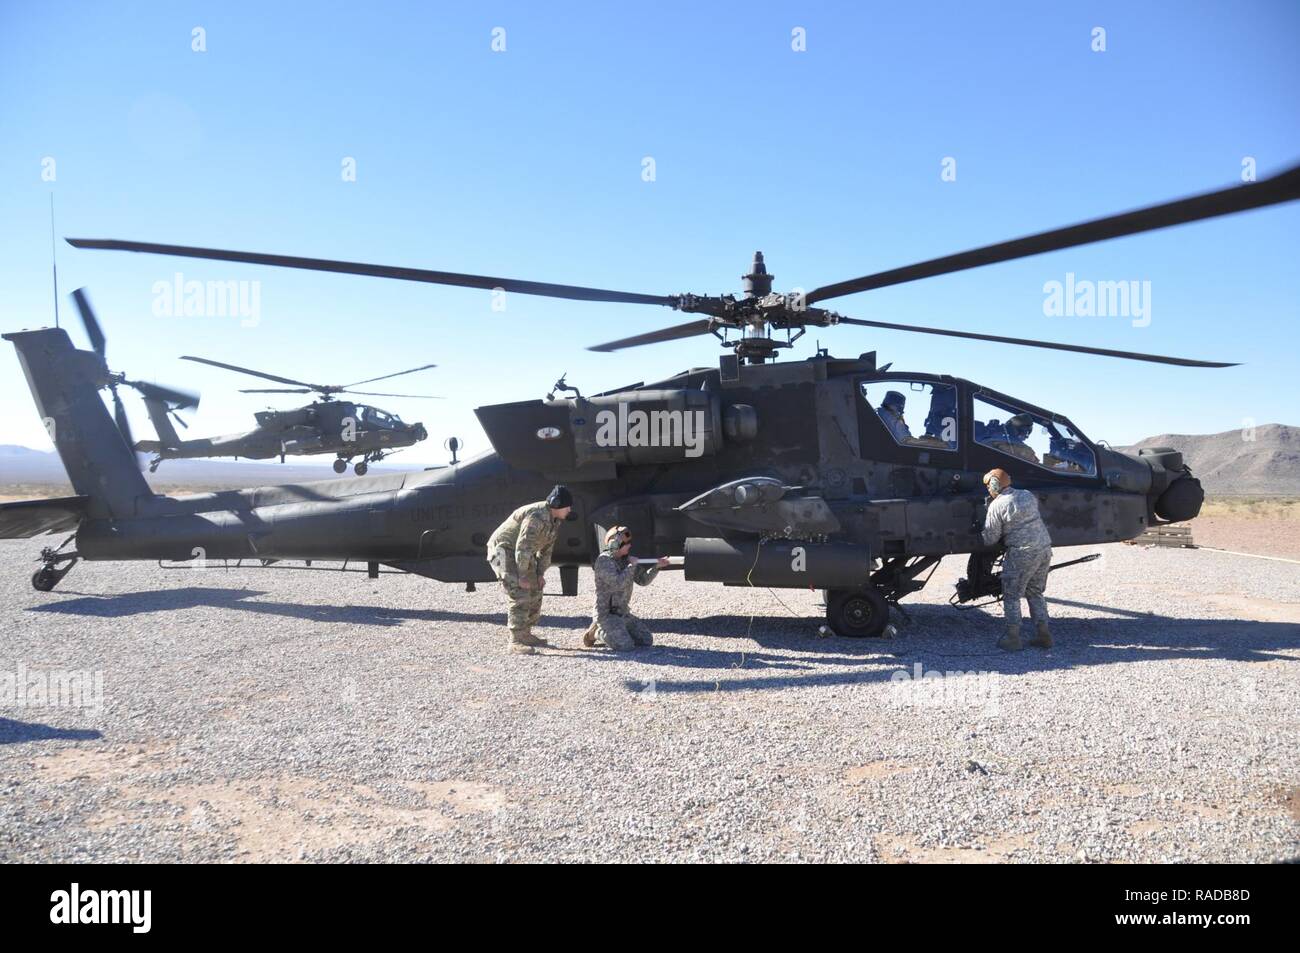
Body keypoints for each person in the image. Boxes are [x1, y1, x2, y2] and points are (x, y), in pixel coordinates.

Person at [486, 485, 573, 654]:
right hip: (503, 552)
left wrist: (540, 574)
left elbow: (546, 550)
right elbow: (523, 546)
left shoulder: (554, 520)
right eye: (568, 506)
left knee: (535, 589)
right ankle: (516, 641)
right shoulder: (537, 516)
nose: (570, 510)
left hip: (521, 554)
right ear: (557, 504)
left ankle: (526, 634)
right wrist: (522, 575)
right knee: (520, 591)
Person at [981, 468, 1053, 650]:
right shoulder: (1027, 495)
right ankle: (1044, 635)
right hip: (1044, 548)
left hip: (1022, 553)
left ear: (995, 485)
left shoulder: (997, 505)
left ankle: (1013, 638)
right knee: (1035, 591)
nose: (989, 489)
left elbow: (990, 538)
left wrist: (978, 533)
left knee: (1012, 595)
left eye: (989, 485)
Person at [581, 525, 670, 651]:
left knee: (646, 640)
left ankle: (614, 630)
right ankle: (596, 632)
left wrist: (657, 567)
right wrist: (631, 566)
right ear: (615, 544)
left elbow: (643, 580)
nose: (630, 546)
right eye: (626, 543)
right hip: (606, 614)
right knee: (625, 646)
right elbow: (618, 583)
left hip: (622, 613)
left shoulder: (625, 560)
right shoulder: (604, 561)